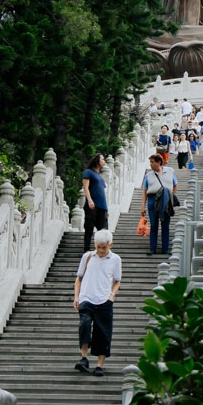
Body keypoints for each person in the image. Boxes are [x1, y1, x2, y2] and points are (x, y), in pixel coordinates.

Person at [73, 229, 122, 375]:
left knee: (103, 332)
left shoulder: (115, 260)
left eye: (104, 247)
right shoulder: (87, 256)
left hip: (104, 299)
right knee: (85, 324)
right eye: (98, 247)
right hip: (86, 297)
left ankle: (99, 365)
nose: (100, 250)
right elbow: (79, 278)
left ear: (110, 245)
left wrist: (112, 295)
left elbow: (117, 281)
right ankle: (84, 358)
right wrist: (77, 297)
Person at [141, 153, 174, 257]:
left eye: (152, 162)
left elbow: (175, 184)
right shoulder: (148, 175)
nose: (150, 164)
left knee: (165, 225)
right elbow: (145, 191)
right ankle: (152, 248)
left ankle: (165, 249)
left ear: (158, 162)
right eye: (150, 162)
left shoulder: (170, 171)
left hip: (165, 200)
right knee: (154, 224)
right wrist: (143, 206)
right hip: (152, 199)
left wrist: (170, 197)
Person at [82, 155, 108, 236]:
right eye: (102, 159)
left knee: (104, 231)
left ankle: (103, 249)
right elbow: (85, 187)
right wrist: (89, 200)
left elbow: (102, 193)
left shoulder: (100, 176)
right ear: (97, 160)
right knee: (89, 228)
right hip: (92, 205)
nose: (104, 161)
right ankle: (87, 248)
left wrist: (106, 209)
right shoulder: (88, 172)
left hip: (102, 207)